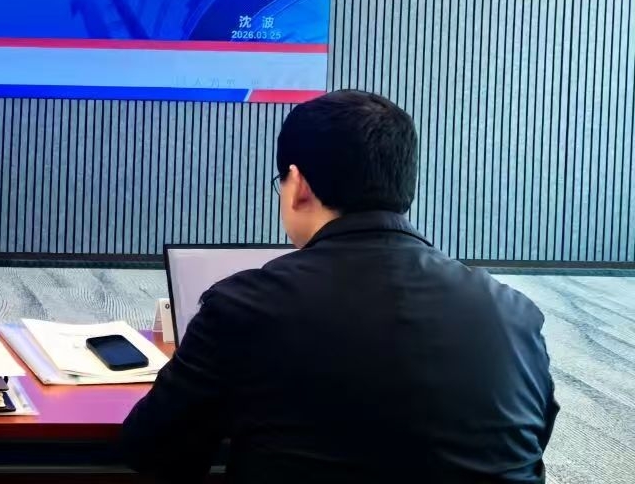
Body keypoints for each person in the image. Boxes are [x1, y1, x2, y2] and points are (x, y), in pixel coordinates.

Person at [121, 89, 558, 484]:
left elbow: (154, 449)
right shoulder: (514, 313)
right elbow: (531, 441)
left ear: (298, 185)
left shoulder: (244, 306)